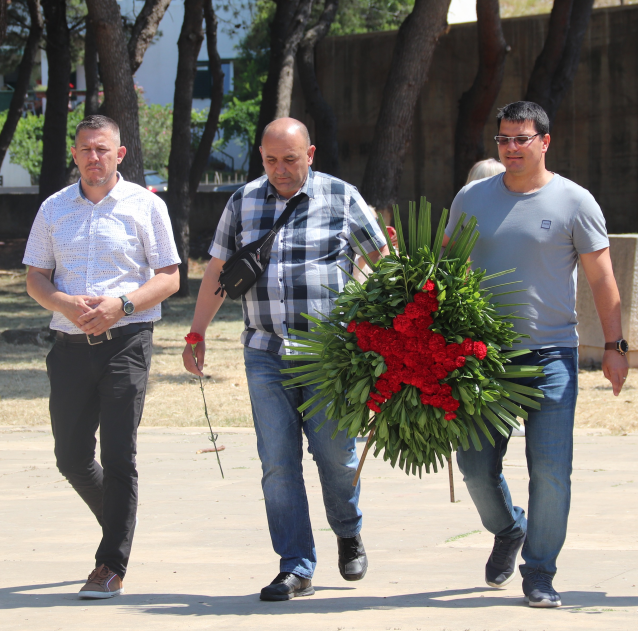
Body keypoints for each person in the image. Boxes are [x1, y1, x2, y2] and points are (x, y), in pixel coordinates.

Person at [182, 118, 388, 602]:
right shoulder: (243, 201)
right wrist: (196, 332)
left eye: (290, 159)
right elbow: (218, 270)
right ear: (261, 156)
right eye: (271, 160)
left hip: (327, 356)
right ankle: (296, 566)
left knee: (336, 456)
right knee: (277, 463)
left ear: (310, 155)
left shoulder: (342, 197)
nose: (280, 169)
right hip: (264, 353)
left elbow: (384, 263)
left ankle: (348, 528)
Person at [443, 101, 628, 609]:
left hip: (551, 356)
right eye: (503, 139)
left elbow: (602, 278)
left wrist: (615, 347)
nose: (511, 148)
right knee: (475, 466)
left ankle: (540, 572)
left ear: (545, 141)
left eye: (521, 138)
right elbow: (446, 267)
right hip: (483, 358)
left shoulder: (575, 201)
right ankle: (509, 528)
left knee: (550, 471)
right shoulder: (472, 198)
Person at [23, 115, 181, 599]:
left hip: (126, 343)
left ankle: (110, 564)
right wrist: (64, 304)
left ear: (120, 154)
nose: (94, 157)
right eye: (86, 149)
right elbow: (36, 278)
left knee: (117, 455)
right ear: (74, 154)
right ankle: (117, 520)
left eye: (102, 149)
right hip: (69, 348)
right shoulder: (53, 208)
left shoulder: (146, 206)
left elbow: (170, 277)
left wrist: (122, 305)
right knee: (71, 457)